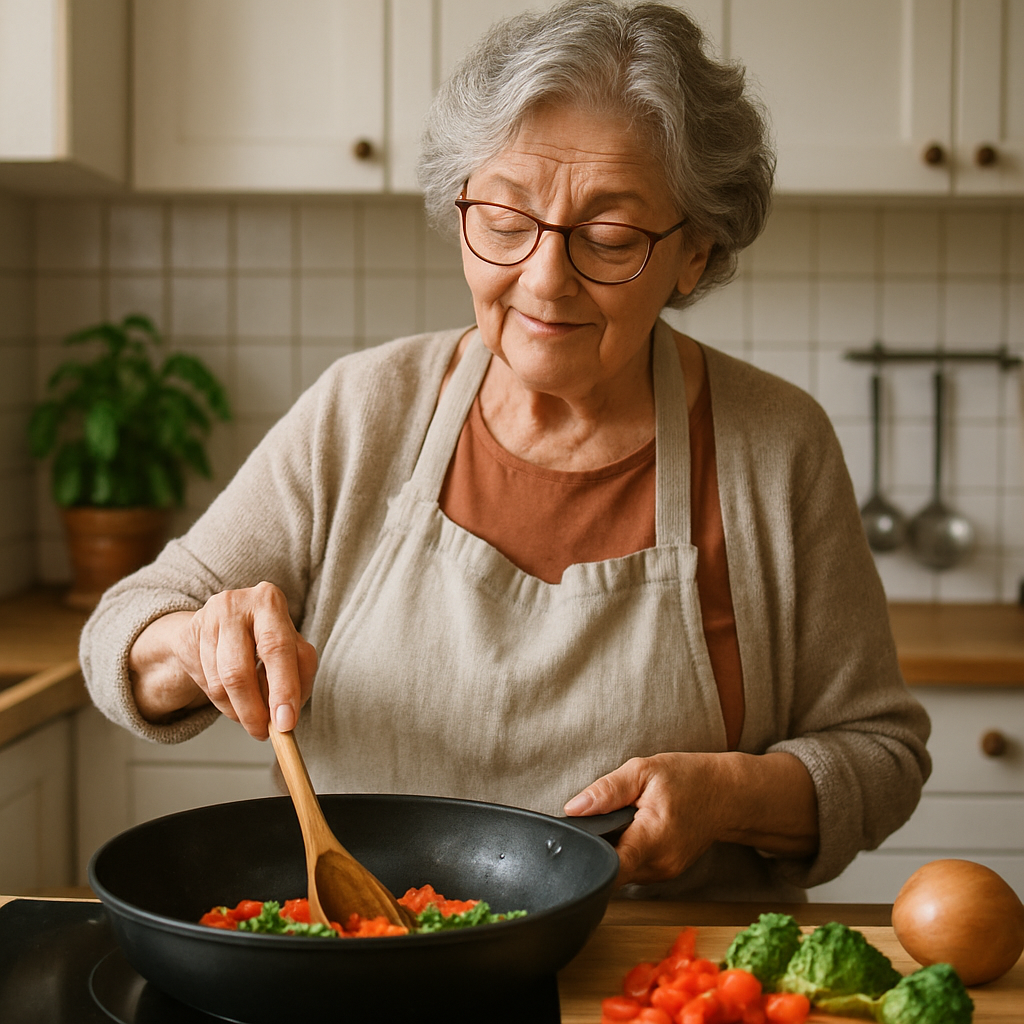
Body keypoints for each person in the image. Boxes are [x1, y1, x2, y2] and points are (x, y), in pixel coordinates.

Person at [81, 0, 930, 901]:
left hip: (656, 978)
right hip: (366, 960)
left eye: (608, 237)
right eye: (505, 218)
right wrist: (193, 643)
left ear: (695, 253)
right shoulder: (363, 410)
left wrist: (731, 797)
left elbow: (879, 755)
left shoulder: (776, 446)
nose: (544, 278)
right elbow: (120, 636)